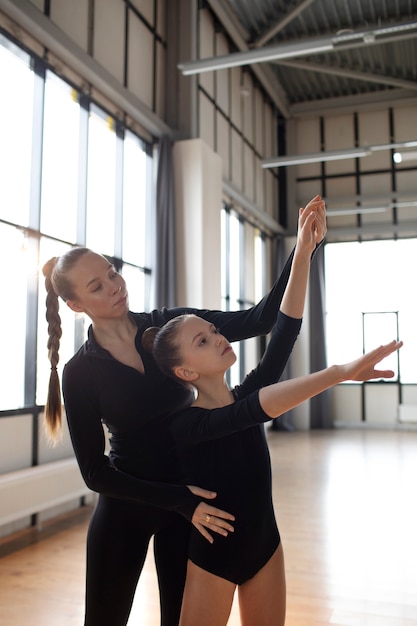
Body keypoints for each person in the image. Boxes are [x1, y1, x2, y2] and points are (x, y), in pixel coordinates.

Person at [42, 195, 326, 626]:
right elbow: (95, 472)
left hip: (195, 503)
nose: (114, 285)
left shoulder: (170, 329)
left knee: (178, 619)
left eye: (112, 273)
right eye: (96, 286)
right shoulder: (80, 372)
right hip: (130, 507)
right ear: (76, 305)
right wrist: (177, 501)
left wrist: (303, 245)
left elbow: (260, 320)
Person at [143, 212, 402, 626]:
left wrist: (303, 249)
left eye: (214, 329)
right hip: (215, 556)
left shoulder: (244, 393)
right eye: (203, 341)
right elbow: (252, 410)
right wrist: (337, 374)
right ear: (186, 372)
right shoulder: (187, 426)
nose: (219, 337)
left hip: (266, 546)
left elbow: (285, 330)